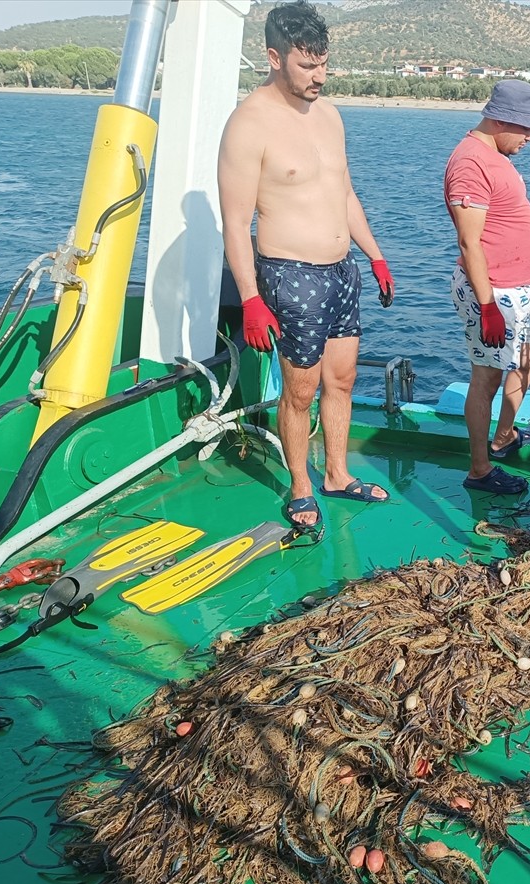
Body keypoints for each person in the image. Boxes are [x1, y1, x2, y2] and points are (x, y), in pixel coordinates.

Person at [218, 0, 396, 530]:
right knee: (300, 390)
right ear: (274, 57)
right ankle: (300, 484)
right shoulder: (248, 125)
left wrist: (376, 254)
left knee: (340, 381)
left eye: (323, 65)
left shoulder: (330, 115)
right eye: (306, 66)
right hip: (291, 274)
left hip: (342, 271)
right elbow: (234, 223)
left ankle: (337, 475)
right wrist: (251, 299)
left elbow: (344, 193)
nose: (319, 77)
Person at [444, 80, 530, 495]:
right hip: (492, 292)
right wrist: (487, 306)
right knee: (485, 379)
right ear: (502, 119)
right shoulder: (470, 163)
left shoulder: (492, 155)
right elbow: (469, 243)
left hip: (513, 289)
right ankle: (480, 470)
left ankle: (504, 436)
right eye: (525, 129)